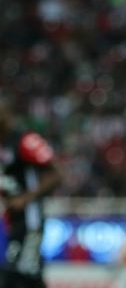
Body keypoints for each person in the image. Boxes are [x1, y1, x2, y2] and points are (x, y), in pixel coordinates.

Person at [0, 99, 62, 288]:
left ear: (7, 115)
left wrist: (25, 198)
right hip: (13, 221)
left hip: (30, 220)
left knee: (16, 273)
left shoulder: (26, 141)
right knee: (26, 275)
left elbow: (57, 175)